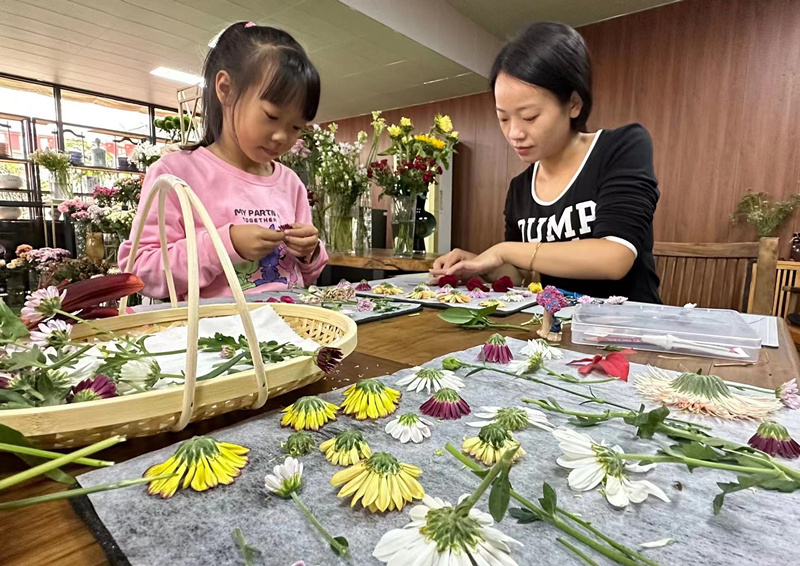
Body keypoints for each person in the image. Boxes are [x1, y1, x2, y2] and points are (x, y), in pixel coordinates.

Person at [431, 22, 661, 303]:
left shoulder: (621, 147)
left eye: (529, 117)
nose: (514, 133)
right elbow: (522, 277)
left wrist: (504, 250)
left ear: (574, 104)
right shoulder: (521, 187)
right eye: (503, 118)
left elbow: (615, 257)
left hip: (628, 330)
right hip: (557, 328)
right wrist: (479, 265)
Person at [119, 22, 326, 299]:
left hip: (290, 330)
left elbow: (307, 276)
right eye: (272, 117)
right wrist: (224, 245)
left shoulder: (289, 183)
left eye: (297, 127)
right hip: (213, 337)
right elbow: (141, 273)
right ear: (226, 89)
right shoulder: (175, 175)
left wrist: (309, 252)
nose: (281, 137)